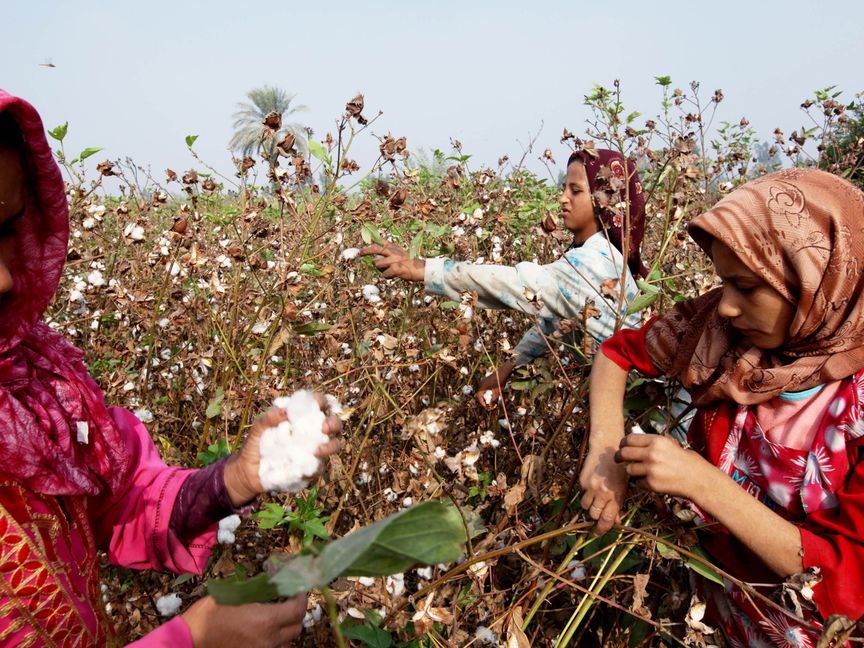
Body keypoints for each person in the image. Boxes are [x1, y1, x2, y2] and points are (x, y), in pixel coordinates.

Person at [0, 91, 341, 647]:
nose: (6, 280)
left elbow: (113, 500)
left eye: (8, 228)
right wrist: (189, 642)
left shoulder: (32, 380)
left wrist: (236, 478)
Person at [580, 167, 864, 644]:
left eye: (748, 288)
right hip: (711, 606)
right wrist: (605, 451)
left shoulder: (854, 402)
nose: (727, 306)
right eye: (724, 283)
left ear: (818, 282)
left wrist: (702, 483)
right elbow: (617, 353)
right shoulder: (716, 330)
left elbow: (847, 576)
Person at [361, 149, 647, 406]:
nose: (563, 198)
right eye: (564, 188)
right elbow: (558, 321)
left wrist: (422, 268)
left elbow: (519, 285)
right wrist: (510, 366)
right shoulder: (592, 255)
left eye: (575, 191)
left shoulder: (595, 263)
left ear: (607, 201)